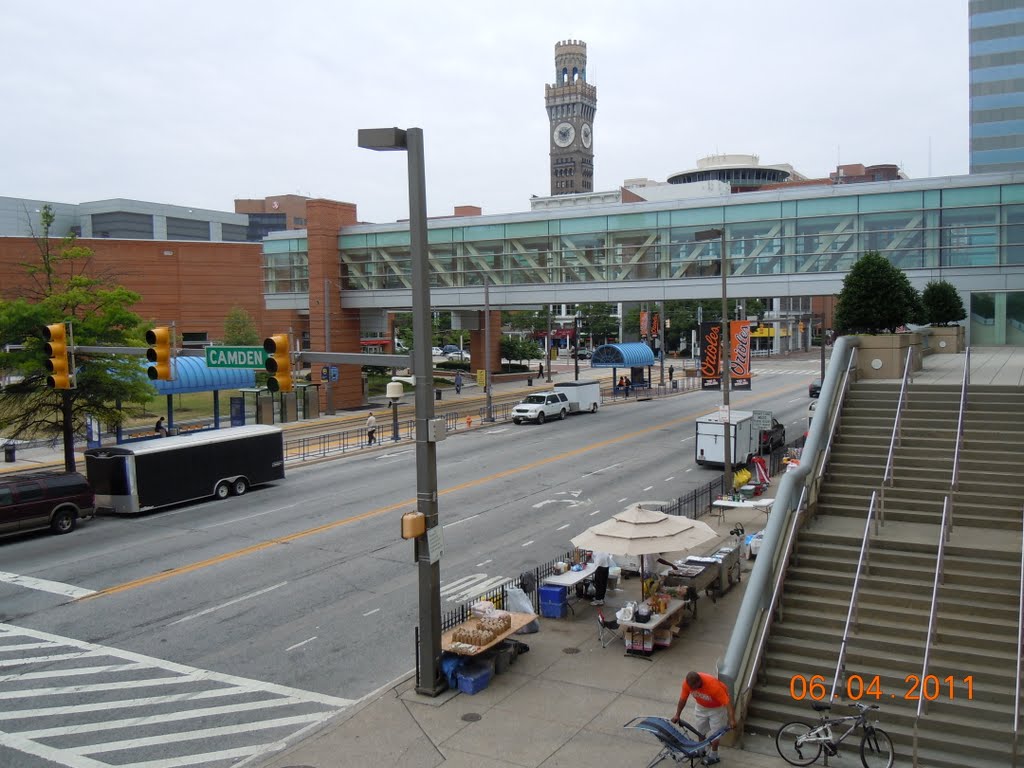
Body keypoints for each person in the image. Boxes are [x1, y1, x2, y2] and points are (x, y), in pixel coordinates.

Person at [672, 671, 736, 765]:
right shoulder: (687, 684)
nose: (692, 689)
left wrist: (732, 719)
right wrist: (677, 714)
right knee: (700, 730)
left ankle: (714, 756)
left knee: (716, 734)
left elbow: (728, 703)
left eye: (694, 687)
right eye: (691, 687)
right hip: (701, 707)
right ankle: (700, 751)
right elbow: (683, 699)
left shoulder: (713, 686)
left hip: (717, 709)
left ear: (699, 681)